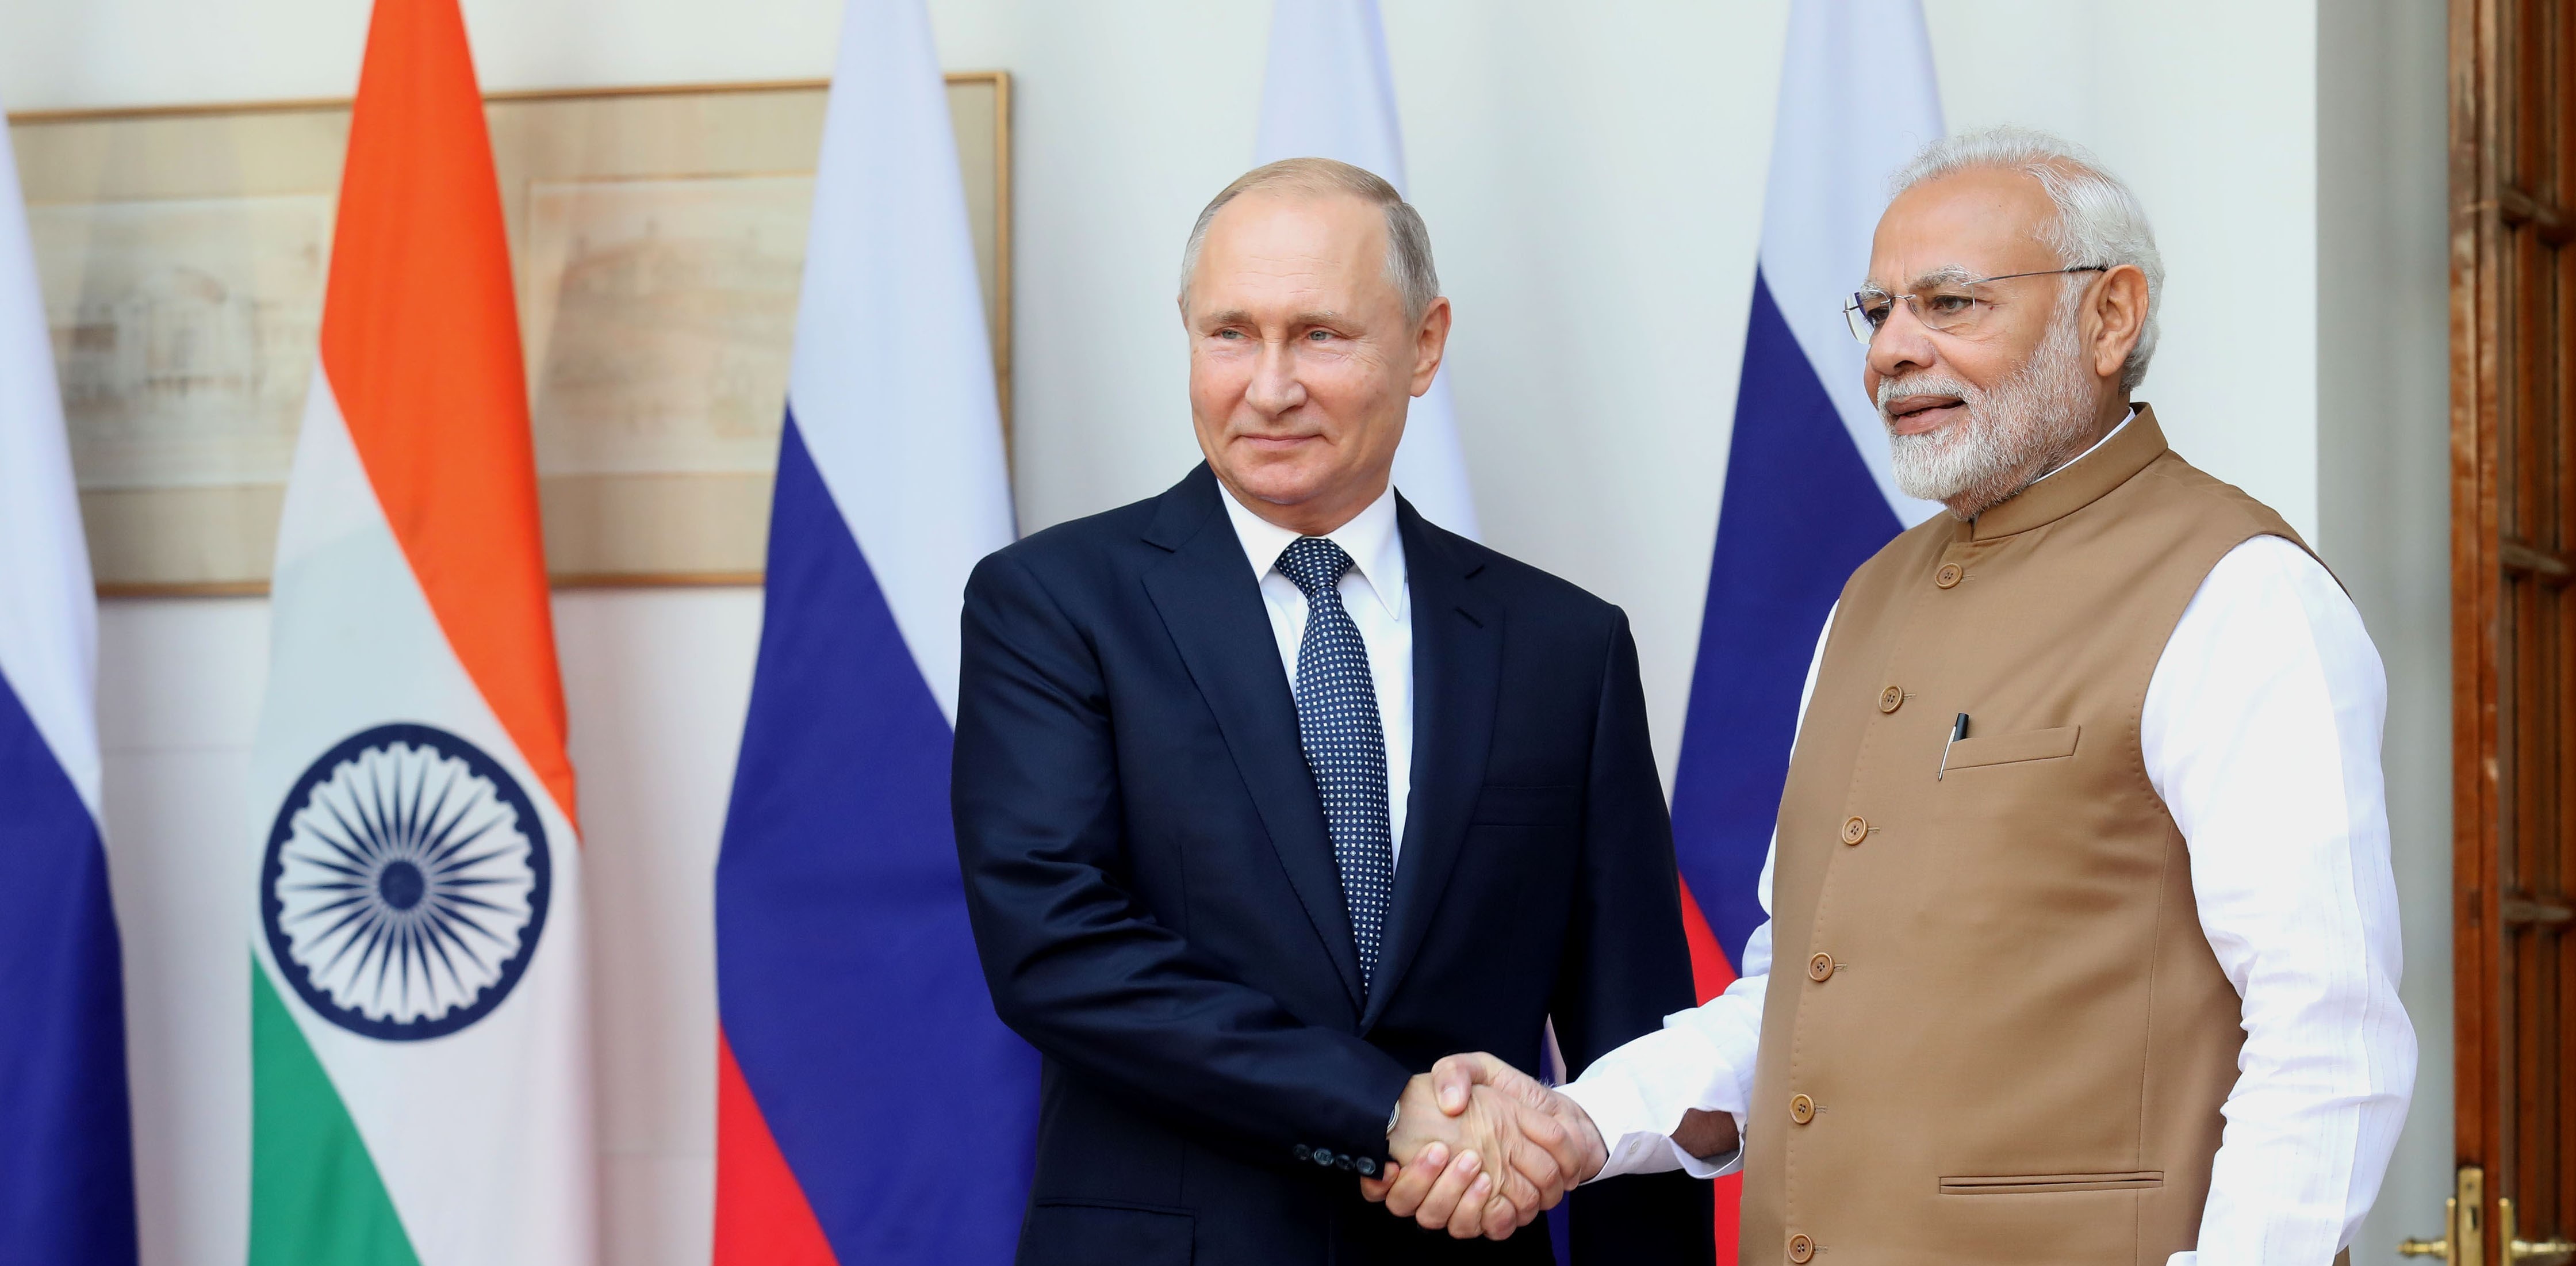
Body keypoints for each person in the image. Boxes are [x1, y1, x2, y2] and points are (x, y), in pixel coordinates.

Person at [1375, 127, 2416, 1266]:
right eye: (1877, 312)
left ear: (2109, 316)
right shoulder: (1869, 599)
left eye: (1950, 303)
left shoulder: (2238, 592)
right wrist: (1580, 1118)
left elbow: (2328, 1036)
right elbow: (1801, 995)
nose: (1891, 352)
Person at [950, 157, 1713, 1264]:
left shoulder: (1565, 647)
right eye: (1229, 334)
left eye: (1319, 334)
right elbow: (1054, 947)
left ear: (1426, 343)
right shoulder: (1054, 605)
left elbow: (1629, 1036)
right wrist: (1380, 1110)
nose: (1268, 386)